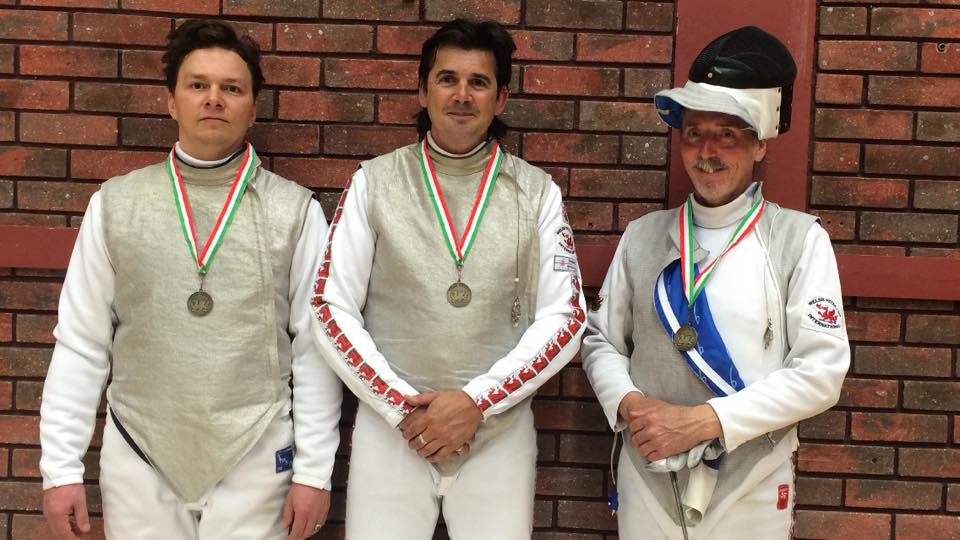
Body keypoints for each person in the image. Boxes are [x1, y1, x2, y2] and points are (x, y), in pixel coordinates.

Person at [38, 19, 341, 540]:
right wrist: (60, 469)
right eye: (198, 85)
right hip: (139, 452)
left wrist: (313, 472)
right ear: (171, 102)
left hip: (257, 451)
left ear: (252, 106)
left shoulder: (295, 212)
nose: (214, 99)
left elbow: (315, 350)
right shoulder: (116, 205)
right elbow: (81, 343)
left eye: (232, 88)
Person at [309, 18, 585, 540]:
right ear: (423, 91)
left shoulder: (537, 192)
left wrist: (477, 402)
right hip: (392, 432)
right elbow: (329, 304)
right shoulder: (374, 182)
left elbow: (566, 316)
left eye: (478, 82)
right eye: (447, 79)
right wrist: (401, 407)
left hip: (496, 434)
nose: (462, 94)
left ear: (500, 98)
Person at [582, 26, 849, 539]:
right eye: (693, 133)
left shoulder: (799, 239)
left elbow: (821, 372)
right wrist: (633, 407)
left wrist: (704, 422)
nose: (707, 151)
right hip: (647, 471)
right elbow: (601, 341)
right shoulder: (642, 236)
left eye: (727, 134)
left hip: (753, 480)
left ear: (759, 144)